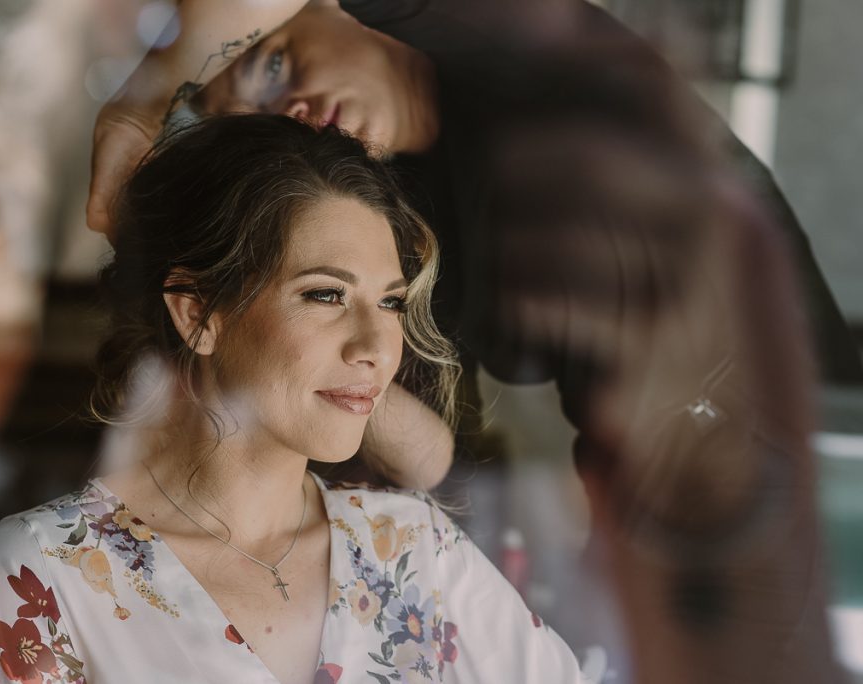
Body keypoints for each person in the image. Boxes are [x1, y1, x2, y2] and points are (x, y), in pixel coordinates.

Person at [84, 2, 851, 682]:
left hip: (778, 424)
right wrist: (307, 357)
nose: (296, 107)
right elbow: (431, 457)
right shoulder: (399, 224)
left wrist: (137, 107)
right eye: (266, 116)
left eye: (274, 62)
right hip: (657, 495)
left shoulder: (503, 41)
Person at [0, 114, 587, 684]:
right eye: (325, 295)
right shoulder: (45, 575)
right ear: (199, 313)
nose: (376, 345)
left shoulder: (414, 549)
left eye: (390, 302)